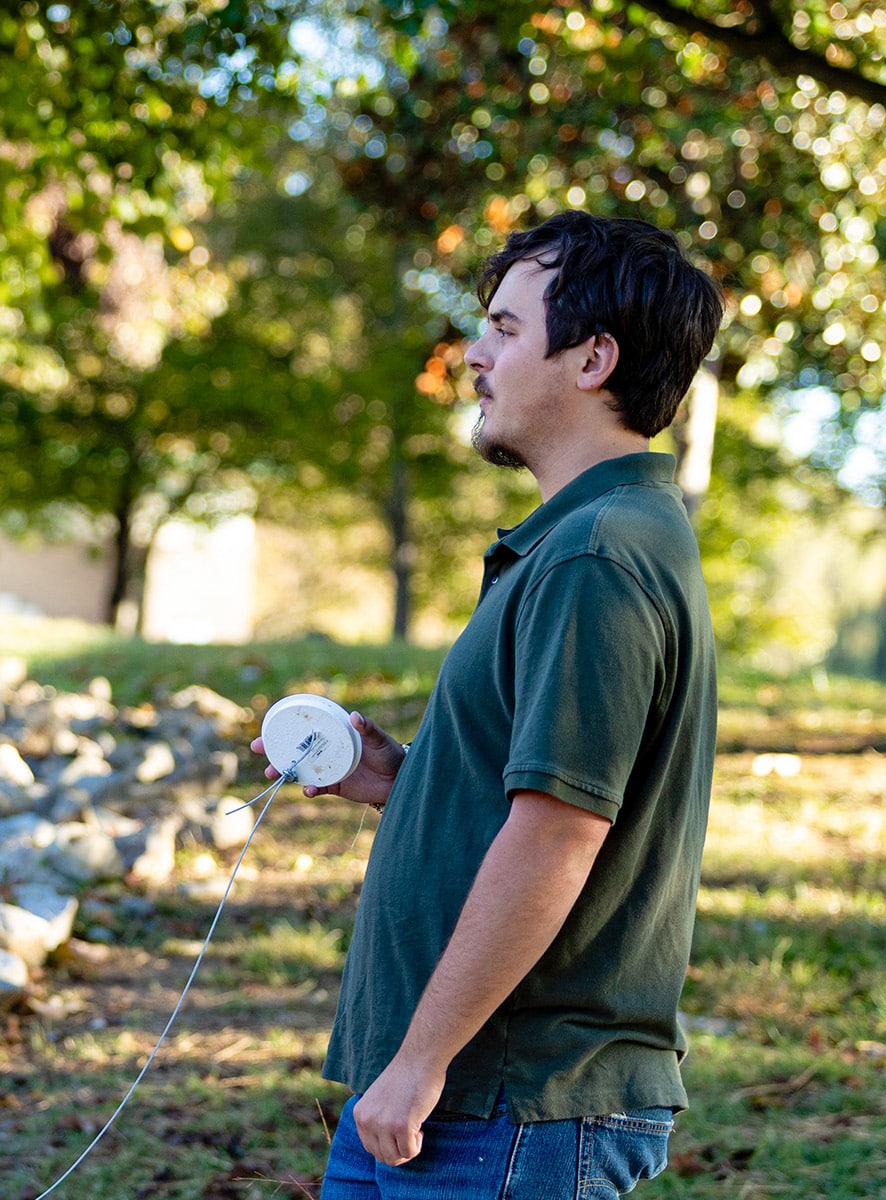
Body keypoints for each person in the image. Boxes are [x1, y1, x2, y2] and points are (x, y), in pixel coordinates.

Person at [258, 210, 724, 1199]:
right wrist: (406, 780)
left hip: (504, 1108)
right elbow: (539, 798)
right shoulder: (584, 540)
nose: (474, 355)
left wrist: (422, 1061)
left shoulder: (598, 556)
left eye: (506, 330)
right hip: (454, 1101)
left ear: (593, 359)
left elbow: (559, 836)